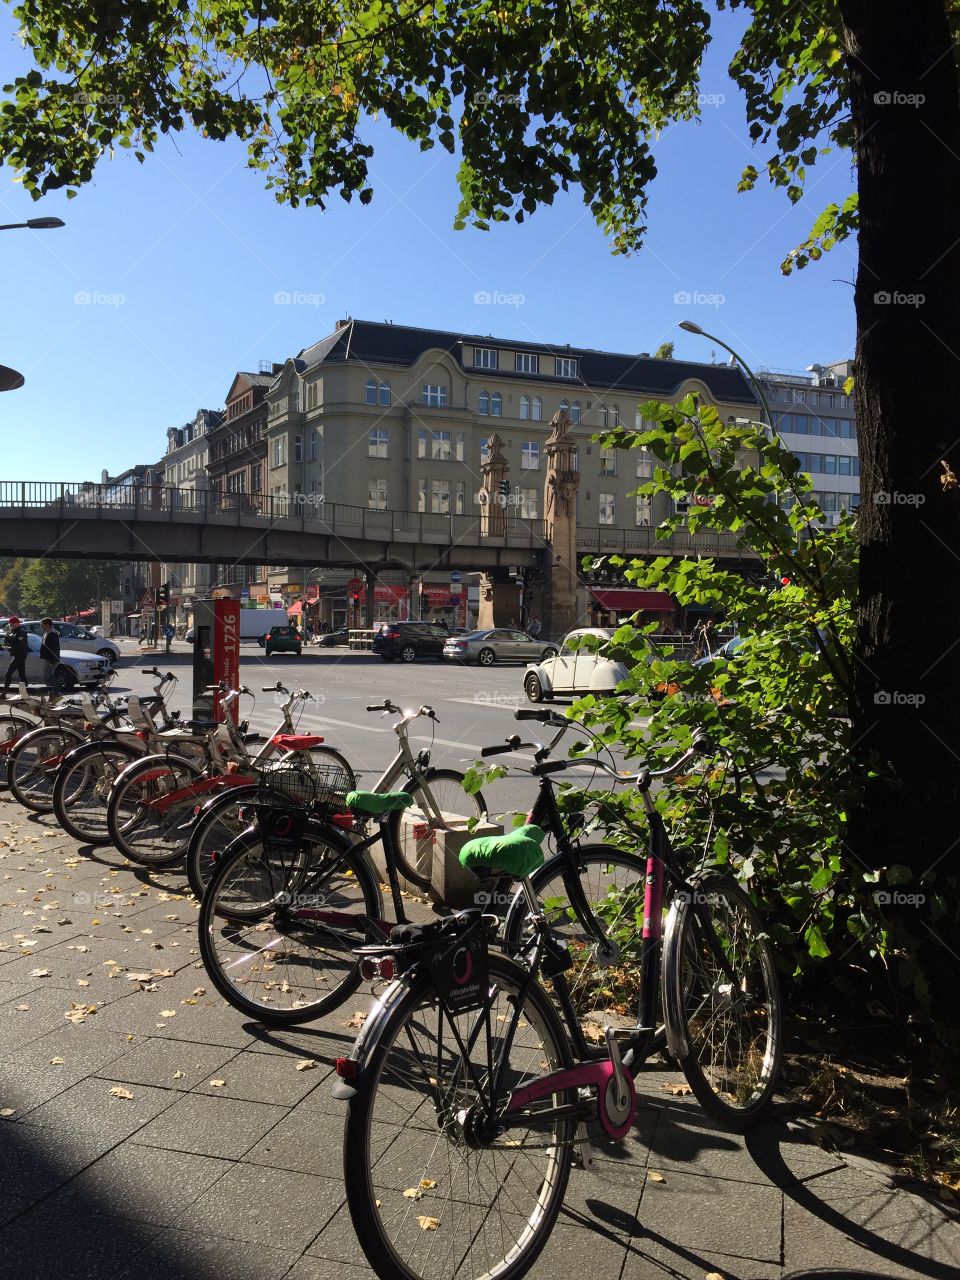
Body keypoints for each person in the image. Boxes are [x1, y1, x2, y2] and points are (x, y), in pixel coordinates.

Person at [3, 616, 30, 692]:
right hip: (18, 655)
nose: (10, 626)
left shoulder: (21, 633)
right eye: (10, 624)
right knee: (22, 675)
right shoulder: (15, 632)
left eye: (11, 624)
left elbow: (20, 646)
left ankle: (5, 692)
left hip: (20, 656)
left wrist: (9, 648)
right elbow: (12, 643)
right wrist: (7, 637)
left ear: (16, 623)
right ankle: (25, 693)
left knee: (8, 674)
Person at [39, 617, 60, 686]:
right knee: (48, 678)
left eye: (42, 624)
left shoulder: (52, 634)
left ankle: (55, 694)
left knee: (48, 677)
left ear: (47, 625)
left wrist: (52, 661)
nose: (41, 626)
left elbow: (54, 648)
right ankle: (52, 695)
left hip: (50, 660)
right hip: (48, 659)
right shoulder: (47, 633)